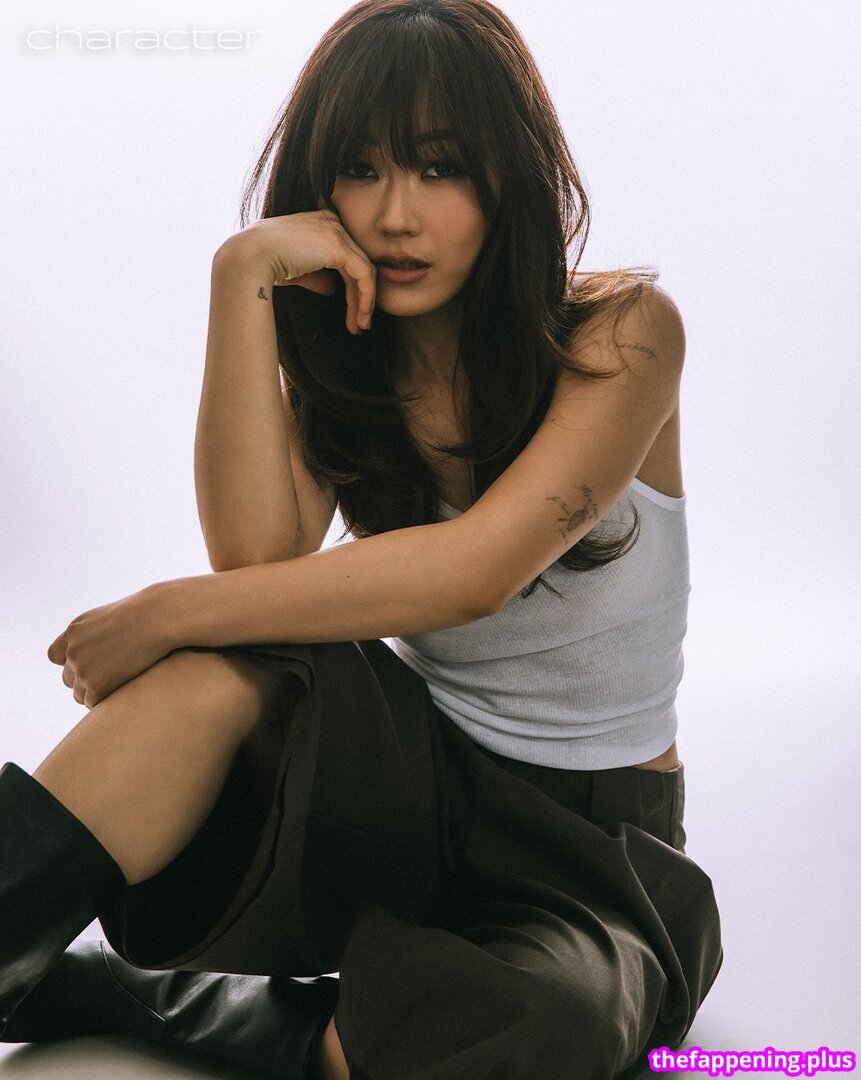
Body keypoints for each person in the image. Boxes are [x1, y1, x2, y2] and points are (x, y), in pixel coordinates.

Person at [0, 0, 723, 1077]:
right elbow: (258, 571)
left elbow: (475, 573)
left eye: (439, 168)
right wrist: (240, 277)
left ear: (509, 178)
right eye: (361, 169)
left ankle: (159, 1000)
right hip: (404, 782)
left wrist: (161, 612)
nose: (393, 216)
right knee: (216, 674)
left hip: (592, 845)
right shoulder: (353, 366)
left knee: (545, 1028)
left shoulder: (619, 333)